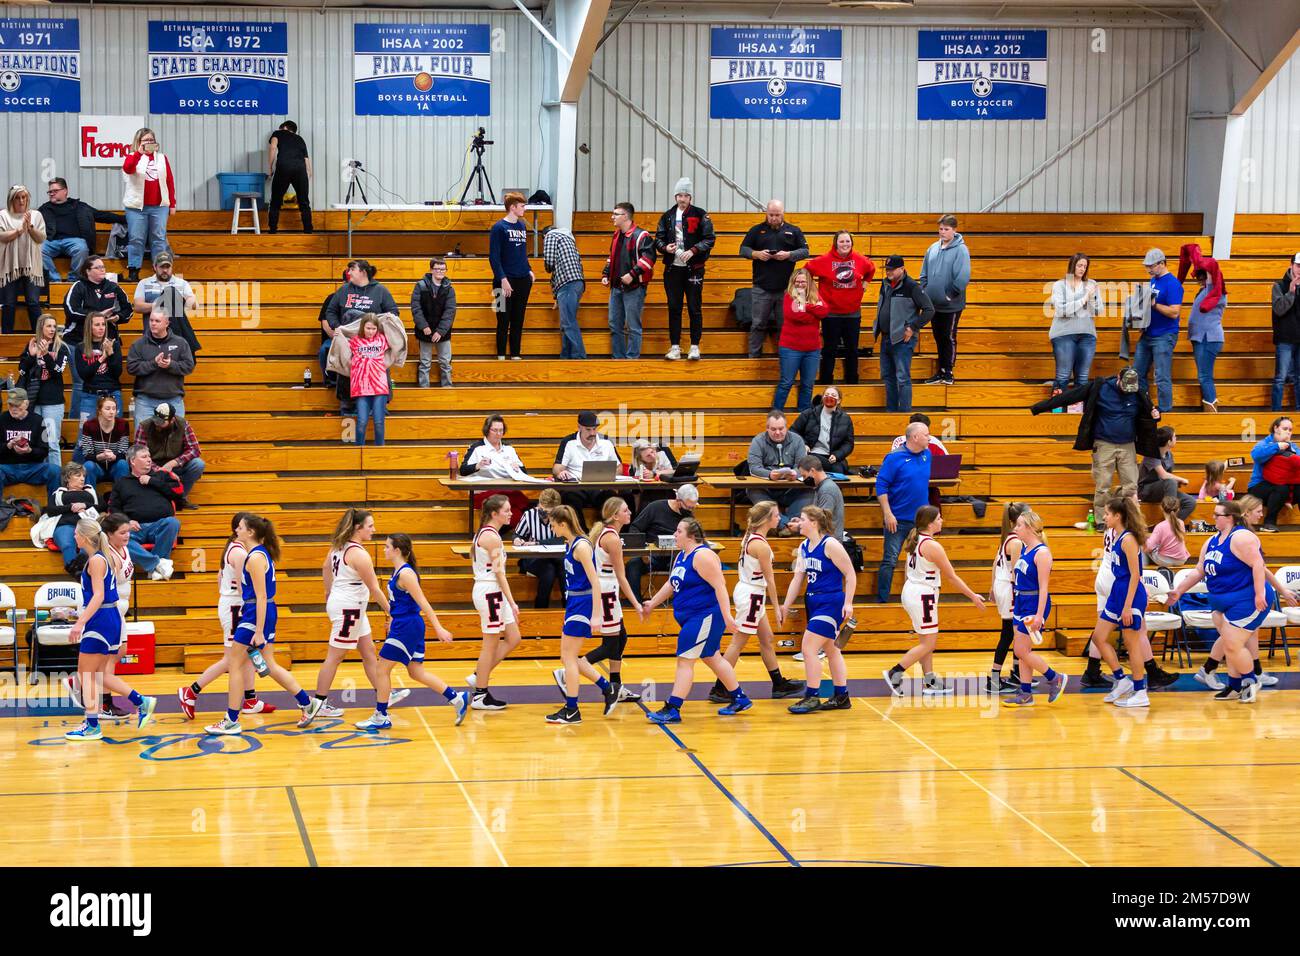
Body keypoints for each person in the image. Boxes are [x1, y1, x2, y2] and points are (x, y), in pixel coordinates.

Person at [204, 514, 322, 735]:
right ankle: (308, 703)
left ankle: (230, 719)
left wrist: (258, 630)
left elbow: (260, 595)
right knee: (269, 664)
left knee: (236, 664)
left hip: (255, 613)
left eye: (239, 528)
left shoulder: (256, 557)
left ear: (250, 532)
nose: (235, 531)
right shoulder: (257, 554)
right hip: (262, 612)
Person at [642, 517, 750, 723]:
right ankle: (740, 698)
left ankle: (673, 708)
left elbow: (720, 587)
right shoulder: (682, 555)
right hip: (691, 616)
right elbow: (672, 583)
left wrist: (728, 616)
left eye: (678, 531)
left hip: (705, 616)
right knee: (712, 657)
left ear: (691, 536)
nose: (674, 535)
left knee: (684, 661)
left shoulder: (703, 556)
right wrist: (652, 603)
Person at [357, 534, 470, 730]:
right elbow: (401, 603)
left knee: (381, 669)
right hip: (406, 624)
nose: (383, 550)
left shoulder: (406, 574)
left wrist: (439, 627)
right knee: (416, 672)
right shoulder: (398, 571)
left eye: (386, 547)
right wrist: (392, 619)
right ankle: (456, 697)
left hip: (407, 627)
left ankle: (380, 715)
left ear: (397, 550)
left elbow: (423, 602)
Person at [300, 509, 400, 727]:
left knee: (368, 652)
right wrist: (393, 613)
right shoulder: (359, 554)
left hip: (348, 605)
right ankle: (317, 703)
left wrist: (328, 593)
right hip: (349, 609)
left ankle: (384, 693)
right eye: (370, 526)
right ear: (358, 527)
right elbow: (375, 589)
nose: (374, 530)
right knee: (335, 656)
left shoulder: (338, 545)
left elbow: (326, 567)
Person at [1168, 500, 1273, 703]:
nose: (1213, 518)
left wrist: (1260, 594)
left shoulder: (1242, 537)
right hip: (1221, 602)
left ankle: (1250, 681)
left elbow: (1259, 565)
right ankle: (1234, 686)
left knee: (1233, 644)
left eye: (1218, 515)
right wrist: (1179, 590)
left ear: (1230, 518)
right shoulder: (1212, 541)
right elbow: (1199, 570)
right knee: (1229, 644)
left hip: (1246, 599)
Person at [61, 517, 157, 740]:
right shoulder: (102, 557)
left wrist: (80, 622)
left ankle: (92, 725)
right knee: (97, 674)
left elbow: (99, 596)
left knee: (86, 673)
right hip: (110, 616)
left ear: (85, 537)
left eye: (76, 532)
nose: (74, 536)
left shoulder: (96, 560)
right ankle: (141, 701)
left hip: (101, 618)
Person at [1030, 367, 1161, 525]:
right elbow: (1069, 397)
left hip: (1128, 445)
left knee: (1131, 486)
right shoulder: (1100, 387)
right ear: (1118, 378)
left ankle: (1127, 520)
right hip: (1104, 444)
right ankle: (1102, 520)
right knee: (1103, 485)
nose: (1127, 392)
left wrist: (1156, 416)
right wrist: (1039, 407)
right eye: (1124, 388)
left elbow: (1150, 413)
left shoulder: (1137, 392)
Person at [178, 512, 276, 721]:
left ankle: (250, 700)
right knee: (232, 659)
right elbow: (244, 586)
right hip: (236, 606)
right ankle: (192, 690)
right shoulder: (241, 552)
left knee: (246, 657)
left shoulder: (235, 549)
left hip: (232, 604)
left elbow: (219, 577)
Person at [1191, 494, 1294, 691]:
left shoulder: (1239, 534)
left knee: (1240, 637)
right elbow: (1261, 568)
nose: (1261, 515)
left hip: (1233, 596)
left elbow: (1259, 568)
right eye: (1257, 511)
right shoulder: (1241, 536)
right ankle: (1246, 674)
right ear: (1245, 513)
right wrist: (1279, 590)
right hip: (1233, 596)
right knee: (1235, 638)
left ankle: (1232, 674)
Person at [883, 505, 987, 697]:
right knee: (928, 643)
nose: (942, 521)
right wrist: (973, 596)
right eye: (939, 518)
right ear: (930, 524)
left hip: (912, 590)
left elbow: (907, 571)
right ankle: (895, 672)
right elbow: (952, 577)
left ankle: (930, 680)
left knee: (926, 639)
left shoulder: (915, 539)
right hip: (922, 594)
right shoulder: (932, 545)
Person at [709, 502, 806, 701]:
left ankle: (778, 684)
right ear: (766, 519)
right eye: (776, 515)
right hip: (752, 595)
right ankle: (720, 687)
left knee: (767, 639)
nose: (779, 518)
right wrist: (777, 607)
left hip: (752, 592)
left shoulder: (751, 537)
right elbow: (770, 579)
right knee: (738, 643)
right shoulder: (760, 545)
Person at [560, 497, 644, 705]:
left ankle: (616, 686)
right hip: (606, 590)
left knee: (621, 638)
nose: (630, 513)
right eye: (626, 510)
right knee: (611, 644)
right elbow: (622, 576)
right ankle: (573, 668)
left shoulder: (606, 532)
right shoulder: (612, 539)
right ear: (615, 515)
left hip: (607, 587)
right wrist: (636, 603)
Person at [545, 505, 618, 724]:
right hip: (575, 601)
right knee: (568, 657)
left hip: (583, 603)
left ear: (563, 524)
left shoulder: (582, 546)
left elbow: (596, 582)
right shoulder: (570, 544)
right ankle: (608, 688)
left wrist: (596, 616)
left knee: (568, 658)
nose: (551, 528)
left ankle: (572, 709)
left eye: (553, 524)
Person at [782, 506, 856, 714]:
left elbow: (850, 574)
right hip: (813, 602)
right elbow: (798, 578)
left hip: (831, 602)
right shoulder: (804, 545)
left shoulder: (830, 544)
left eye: (802, 519)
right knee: (833, 650)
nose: (799, 522)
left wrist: (848, 602)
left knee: (808, 648)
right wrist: (785, 605)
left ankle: (812, 696)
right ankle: (842, 696)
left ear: (814, 523)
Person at [1087, 498, 1153, 708]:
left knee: (1131, 643)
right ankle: (1121, 678)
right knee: (1099, 638)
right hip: (1118, 591)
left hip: (1129, 595)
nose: (1104, 517)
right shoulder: (1117, 536)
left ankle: (1140, 691)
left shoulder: (1128, 540)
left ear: (1118, 516)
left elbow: (1136, 575)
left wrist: (1128, 606)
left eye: (1107, 513)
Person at [1001, 510, 1068, 707]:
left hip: (1034, 603)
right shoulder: (1024, 549)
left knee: (1021, 650)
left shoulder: (1042, 553)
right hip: (1021, 602)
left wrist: (1039, 615)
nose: (1015, 529)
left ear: (1029, 528)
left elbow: (1044, 588)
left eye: (1019, 525)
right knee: (1023, 650)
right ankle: (1026, 693)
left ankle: (1054, 677)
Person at [467, 495, 523, 711]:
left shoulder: (488, 534)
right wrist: (512, 601)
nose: (510, 513)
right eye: (506, 510)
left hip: (492, 590)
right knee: (489, 644)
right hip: (490, 591)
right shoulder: (492, 538)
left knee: (514, 637)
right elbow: (499, 573)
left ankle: (478, 675)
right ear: (494, 514)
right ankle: (480, 694)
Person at [740, 199, 809, 357]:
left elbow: (805, 251)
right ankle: (753, 357)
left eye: (777, 215)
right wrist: (756, 254)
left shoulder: (794, 231)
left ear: (783, 213)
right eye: (771, 215)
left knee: (785, 325)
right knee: (757, 324)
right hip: (761, 287)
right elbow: (743, 249)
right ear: (766, 213)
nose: (774, 218)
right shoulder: (756, 230)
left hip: (786, 288)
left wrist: (789, 255)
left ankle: (784, 357)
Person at [806, 231, 875, 385]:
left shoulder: (860, 260)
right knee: (829, 350)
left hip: (852, 314)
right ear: (835, 243)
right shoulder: (824, 260)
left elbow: (871, 269)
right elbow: (806, 270)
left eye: (848, 241)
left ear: (852, 243)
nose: (845, 244)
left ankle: (852, 381)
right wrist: (811, 291)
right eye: (842, 241)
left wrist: (866, 282)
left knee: (852, 350)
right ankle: (825, 381)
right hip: (831, 314)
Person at [656, 179, 714, 360]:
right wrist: (666, 248)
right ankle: (675, 347)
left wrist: (693, 251)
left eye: (686, 195)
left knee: (694, 308)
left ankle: (694, 346)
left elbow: (709, 239)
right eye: (680, 195)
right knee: (674, 307)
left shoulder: (701, 214)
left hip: (694, 269)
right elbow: (658, 239)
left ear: (690, 197)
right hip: (673, 269)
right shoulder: (667, 216)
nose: (682, 199)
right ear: (675, 196)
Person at [321, 259, 399, 394]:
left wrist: (375, 328)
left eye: (352, 269)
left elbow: (393, 313)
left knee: (376, 374)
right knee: (347, 374)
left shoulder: (380, 290)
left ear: (362, 272)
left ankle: (379, 406)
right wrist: (338, 327)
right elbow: (330, 312)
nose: (348, 272)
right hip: (349, 340)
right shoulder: (344, 289)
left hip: (372, 342)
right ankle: (347, 408)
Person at [875, 421, 932, 604]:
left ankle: (916, 599)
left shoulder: (927, 455)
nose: (929, 438)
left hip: (920, 521)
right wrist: (887, 513)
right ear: (915, 437)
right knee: (890, 560)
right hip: (897, 519)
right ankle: (882, 601)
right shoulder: (894, 458)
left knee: (920, 562)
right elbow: (881, 485)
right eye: (926, 434)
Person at [107, 444, 182, 581]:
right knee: (117, 539)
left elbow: (178, 495)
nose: (149, 460)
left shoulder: (160, 476)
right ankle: (157, 565)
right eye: (144, 457)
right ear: (133, 461)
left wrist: (153, 481)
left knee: (173, 523)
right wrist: (126, 522)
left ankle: (155, 568)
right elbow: (113, 508)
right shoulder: (122, 482)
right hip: (134, 529)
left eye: (149, 457)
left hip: (159, 526)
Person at [874, 255, 934, 413]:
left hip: (903, 340)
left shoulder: (912, 286)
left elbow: (929, 310)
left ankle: (904, 413)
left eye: (892, 269)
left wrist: (913, 327)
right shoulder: (885, 283)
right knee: (888, 377)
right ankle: (891, 411)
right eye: (887, 269)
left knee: (902, 378)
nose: (888, 272)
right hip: (886, 337)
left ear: (901, 268)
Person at [37, 177, 125, 282]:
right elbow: (32, 221)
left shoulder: (79, 206)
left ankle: (73, 279)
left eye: (55, 191)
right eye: (50, 191)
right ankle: (54, 280)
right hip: (52, 241)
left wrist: (124, 218)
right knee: (38, 249)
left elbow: (101, 215)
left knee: (82, 248)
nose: (51, 193)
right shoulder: (44, 208)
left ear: (65, 191)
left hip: (74, 241)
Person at [919, 215, 971, 386]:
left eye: (946, 229)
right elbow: (924, 272)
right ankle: (940, 371)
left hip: (951, 304)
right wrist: (925, 290)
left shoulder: (961, 250)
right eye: (940, 229)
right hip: (933, 304)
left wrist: (950, 295)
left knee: (948, 337)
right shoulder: (933, 248)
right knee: (938, 336)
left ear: (954, 230)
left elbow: (962, 276)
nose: (942, 232)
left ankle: (948, 372)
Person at [1132, 248, 1184, 414]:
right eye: (1146, 266)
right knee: (1137, 373)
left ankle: (1166, 410)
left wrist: (1154, 304)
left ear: (1162, 264)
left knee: (1161, 376)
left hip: (1164, 334)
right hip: (1148, 333)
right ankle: (1144, 406)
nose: (1148, 270)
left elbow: (1175, 312)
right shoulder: (1153, 281)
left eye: (1151, 266)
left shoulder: (1173, 284)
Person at [17, 313, 72, 469]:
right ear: (41, 327)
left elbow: (58, 372)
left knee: (52, 443)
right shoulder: (31, 344)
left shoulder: (61, 347)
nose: (52, 329)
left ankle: (56, 479)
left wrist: (46, 355)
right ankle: (36, 476)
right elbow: (21, 370)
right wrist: (32, 356)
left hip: (52, 402)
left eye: (54, 326)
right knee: (34, 442)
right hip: (33, 401)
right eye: (49, 326)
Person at [602, 202, 656, 360]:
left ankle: (632, 360)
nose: (612, 217)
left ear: (625, 216)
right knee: (614, 325)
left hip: (634, 288)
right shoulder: (616, 235)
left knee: (633, 326)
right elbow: (611, 258)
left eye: (616, 214)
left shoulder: (641, 235)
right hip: (616, 287)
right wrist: (606, 274)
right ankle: (618, 359)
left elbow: (649, 259)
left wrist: (632, 274)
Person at [625, 483, 699, 598]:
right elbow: (635, 529)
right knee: (633, 565)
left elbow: (695, 537)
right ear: (678, 500)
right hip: (651, 557)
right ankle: (636, 604)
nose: (690, 510)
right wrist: (643, 552)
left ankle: (681, 601)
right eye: (688, 507)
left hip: (675, 557)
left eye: (693, 507)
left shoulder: (688, 516)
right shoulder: (655, 507)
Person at [121, 127, 175, 282]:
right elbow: (128, 169)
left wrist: (172, 203)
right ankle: (133, 271)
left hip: (159, 206)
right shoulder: (132, 157)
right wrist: (139, 153)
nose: (149, 143)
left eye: (152, 140)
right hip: (136, 207)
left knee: (159, 238)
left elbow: (169, 181)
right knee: (136, 239)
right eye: (146, 140)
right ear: (138, 142)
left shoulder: (162, 158)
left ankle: (160, 271)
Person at [126, 308, 195, 429]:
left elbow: (189, 366)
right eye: (151, 320)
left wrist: (171, 365)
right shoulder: (139, 344)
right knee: (142, 442)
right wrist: (153, 364)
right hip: (145, 401)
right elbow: (131, 368)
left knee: (175, 441)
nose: (153, 323)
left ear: (167, 323)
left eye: (157, 321)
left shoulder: (181, 343)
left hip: (173, 400)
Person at [1179, 244, 1226, 412]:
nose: (1201, 281)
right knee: (1203, 375)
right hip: (1201, 338)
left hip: (1209, 338)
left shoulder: (1216, 291)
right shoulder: (1203, 291)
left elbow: (1212, 270)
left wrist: (1197, 257)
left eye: (1203, 277)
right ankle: (1209, 405)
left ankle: (1211, 409)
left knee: (1204, 375)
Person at [987, 501, 1028, 693]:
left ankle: (1017, 672)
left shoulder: (1007, 537)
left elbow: (995, 563)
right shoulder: (1017, 541)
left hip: (1002, 585)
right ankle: (994, 678)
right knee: (1009, 633)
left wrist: (992, 588)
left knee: (1015, 631)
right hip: (1009, 587)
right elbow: (1015, 573)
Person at [772, 267, 827, 412]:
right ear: (793, 282)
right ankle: (776, 413)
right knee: (786, 382)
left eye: (803, 281)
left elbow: (824, 311)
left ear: (808, 282)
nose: (800, 284)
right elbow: (796, 316)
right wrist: (813, 309)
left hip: (812, 349)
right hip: (791, 348)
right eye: (798, 281)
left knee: (808, 384)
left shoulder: (815, 294)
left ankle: (804, 413)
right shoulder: (789, 296)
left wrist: (806, 307)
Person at [553, 409, 623, 519]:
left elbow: (619, 467)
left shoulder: (606, 442)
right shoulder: (568, 442)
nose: (592, 433)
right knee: (570, 498)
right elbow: (557, 468)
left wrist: (610, 474)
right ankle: (580, 533)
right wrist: (561, 473)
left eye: (594, 429)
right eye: (588, 429)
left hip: (601, 487)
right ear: (579, 427)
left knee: (612, 499)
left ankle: (603, 532)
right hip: (577, 488)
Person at [489, 192, 534, 360]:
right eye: (522, 206)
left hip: (522, 280)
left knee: (518, 319)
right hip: (501, 282)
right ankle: (501, 355)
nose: (524, 209)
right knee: (502, 318)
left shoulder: (521, 226)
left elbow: (522, 253)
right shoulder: (498, 228)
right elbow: (494, 257)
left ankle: (515, 354)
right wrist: (503, 279)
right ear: (512, 207)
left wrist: (529, 269)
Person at [745, 411, 810, 528]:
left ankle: (791, 524)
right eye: (773, 429)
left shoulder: (797, 440)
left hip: (792, 488)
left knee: (811, 490)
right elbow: (754, 468)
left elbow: (803, 466)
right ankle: (786, 525)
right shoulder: (758, 441)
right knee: (752, 490)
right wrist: (770, 475)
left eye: (781, 428)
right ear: (767, 428)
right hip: (767, 489)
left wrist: (795, 473)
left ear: (786, 427)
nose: (778, 432)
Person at [1049, 253, 1102, 393]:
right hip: (1064, 335)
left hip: (1087, 335)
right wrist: (1084, 298)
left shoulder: (1092, 284)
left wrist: (1091, 299)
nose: (1082, 269)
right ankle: (1058, 411)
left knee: (1083, 379)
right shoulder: (1060, 285)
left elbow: (1098, 310)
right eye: (1079, 265)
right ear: (1072, 265)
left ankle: (1079, 413)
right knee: (1063, 377)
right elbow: (1061, 310)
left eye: (1085, 266)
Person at [460, 413, 529, 519]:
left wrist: (517, 469)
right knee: (513, 506)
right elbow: (463, 470)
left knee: (519, 504)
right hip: (484, 493)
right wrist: (478, 465)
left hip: (507, 491)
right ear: (487, 430)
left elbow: (524, 473)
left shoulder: (509, 449)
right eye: (495, 430)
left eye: (501, 430)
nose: (498, 434)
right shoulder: (477, 448)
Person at [131, 252, 200, 356]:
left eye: (168, 267)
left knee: (171, 292)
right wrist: (160, 304)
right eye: (161, 267)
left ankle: (180, 342)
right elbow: (137, 306)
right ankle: (190, 345)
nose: (165, 270)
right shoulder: (144, 283)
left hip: (175, 334)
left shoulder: (182, 283)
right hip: (152, 335)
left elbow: (194, 305)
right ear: (154, 267)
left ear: (172, 267)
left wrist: (182, 300)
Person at [135, 402, 203, 506]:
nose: (157, 423)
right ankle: (158, 499)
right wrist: (162, 471)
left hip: (176, 465)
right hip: (152, 467)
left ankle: (180, 498)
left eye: (161, 422)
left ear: (172, 420)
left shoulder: (183, 424)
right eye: (156, 420)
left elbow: (195, 449)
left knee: (198, 464)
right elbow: (139, 454)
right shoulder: (144, 426)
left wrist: (173, 463)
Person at [0, 184, 46, 334]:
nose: (21, 201)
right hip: (9, 267)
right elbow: (2, 236)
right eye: (17, 198)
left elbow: (41, 238)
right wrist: (20, 230)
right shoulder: (3, 215)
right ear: (11, 200)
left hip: (31, 267)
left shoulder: (36, 215)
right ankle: (7, 342)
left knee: (33, 302)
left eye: (24, 197)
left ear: (28, 199)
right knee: (8, 304)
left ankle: (40, 340)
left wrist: (30, 227)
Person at [0, 387, 59, 496]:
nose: (13, 409)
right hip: (8, 467)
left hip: (32, 467)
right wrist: (8, 445)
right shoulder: (2, 419)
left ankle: (54, 508)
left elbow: (44, 451)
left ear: (26, 404)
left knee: (55, 471)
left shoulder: (38, 420)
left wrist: (29, 450)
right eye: (10, 405)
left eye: (17, 405)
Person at [1246, 415, 1300, 532]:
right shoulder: (1265, 443)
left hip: (1283, 486)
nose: (1288, 432)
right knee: (1281, 489)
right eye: (1285, 429)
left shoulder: (1293, 446)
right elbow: (1256, 455)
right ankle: (1269, 523)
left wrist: (1291, 450)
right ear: (1276, 428)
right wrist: (1277, 447)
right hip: (1259, 486)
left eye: (1290, 430)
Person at [410, 256, 456, 388]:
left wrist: (440, 331)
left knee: (445, 362)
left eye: (443, 269)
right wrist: (424, 326)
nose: (440, 272)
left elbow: (450, 312)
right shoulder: (420, 286)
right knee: (425, 361)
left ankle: (447, 386)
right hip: (425, 329)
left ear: (446, 270)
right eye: (437, 269)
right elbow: (416, 308)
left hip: (443, 331)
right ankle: (424, 387)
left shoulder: (449, 289)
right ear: (431, 270)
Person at [514, 488, 564, 609]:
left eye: (549, 512)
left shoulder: (561, 516)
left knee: (565, 571)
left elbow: (561, 539)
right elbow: (518, 534)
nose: (545, 514)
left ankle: (568, 609)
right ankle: (541, 610)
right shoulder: (529, 515)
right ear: (538, 504)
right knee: (548, 572)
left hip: (556, 557)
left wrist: (537, 543)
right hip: (535, 558)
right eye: (542, 510)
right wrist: (517, 539)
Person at [542, 226, 586, 360]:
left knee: (568, 322)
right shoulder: (569, 240)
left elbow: (549, 262)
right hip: (577, 283)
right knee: (566, 322)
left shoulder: (551, 236)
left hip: (566, 283)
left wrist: (548, 268)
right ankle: (566, 356)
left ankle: (579, 356)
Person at [348, 315, 392, 447]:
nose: (371, 331)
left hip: (379, 385)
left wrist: (390, 319)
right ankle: (358, 453)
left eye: (374, 328)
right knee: (361, 422)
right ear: (363, 327)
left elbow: (397, 336)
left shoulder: (382, 339)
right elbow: (341, 346)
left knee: (379, 423)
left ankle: (379, 453)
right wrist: (339, 333)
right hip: (361, 387)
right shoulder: (355, 341)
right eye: (368, 328)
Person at [72, 312, 123, 424]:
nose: (101, 328)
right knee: (85, 436)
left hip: (112, 394)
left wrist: (111, 354)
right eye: (97, 325)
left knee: (114, 434)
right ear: (89, 327)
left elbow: (117, 373)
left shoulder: (113, 344)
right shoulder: (81, 347)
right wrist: (102, 357)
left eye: (103, 324)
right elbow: (85, 375)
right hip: (90, 395)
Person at [47, 462, 98, 575]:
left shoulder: (90, 491)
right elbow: (50, 511)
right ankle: (75, 575)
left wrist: (85, 505)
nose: (82, 479)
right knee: (67, 544)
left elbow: (103, 507)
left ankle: (86, 575)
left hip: (87, 525)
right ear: (68, 477)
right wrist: (70, 507)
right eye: (78, 475)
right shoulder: (59, 493)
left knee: (87, 547)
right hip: (65, 524)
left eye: (83, 476)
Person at [1137, 426, 1195, 521]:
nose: (1176, 439)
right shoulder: (1151, 455)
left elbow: (1169, 476)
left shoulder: (1169, 455)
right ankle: (1169, 519)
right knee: (1171, 482)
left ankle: (1170, 525)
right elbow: (1163, 475)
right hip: (1145, 491)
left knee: (1190, 502)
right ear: (1169, 442)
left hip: (1163, 488)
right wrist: (1180, 479)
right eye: (1174, 436)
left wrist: (1177, 483)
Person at [791, 388, 854, 475]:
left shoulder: (845, 419)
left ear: (839, 400)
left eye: (833, 395)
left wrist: (837, 455)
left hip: (831, 457)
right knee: (819, 464)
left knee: (838, 470)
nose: (829, 397)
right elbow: (793, 431)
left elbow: (848, 443)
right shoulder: (809, 413)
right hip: (812, 453)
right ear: (822, 398)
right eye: (827, 394)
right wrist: (804, 444)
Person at [267, 119, 313, 234]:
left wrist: (270, 167)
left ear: (285, 127)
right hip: (300, 169)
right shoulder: (300, 139)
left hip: (284, 167)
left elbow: (273, 147)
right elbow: (306, 158)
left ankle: (273, 229)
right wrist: (309, 171)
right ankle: (308, 230)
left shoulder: (277, 133)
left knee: (276, 200)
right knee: (304, 202)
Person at [74, 395, 130, 489]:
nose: (111, 412)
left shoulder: (123, 424)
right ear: (99, 410)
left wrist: (114, 457)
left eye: (114, 408)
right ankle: (90, 498)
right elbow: (87, 454)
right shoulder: (89, 425)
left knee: (122, 464)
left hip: (115, 467)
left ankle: (123, 499)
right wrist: (100, 457)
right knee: (88, 465)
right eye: (107, 409)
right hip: (97, 467)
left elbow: (124, 452)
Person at [1272, 252, 1300, 411]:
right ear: (1291, 266)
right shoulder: (1279, 286)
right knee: (1280, 378)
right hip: (1285, 339)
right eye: (1298, 266)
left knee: (1299, 378)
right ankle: (1275, 412)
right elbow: (1279, 309)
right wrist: (1290, 293)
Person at [796, 455, 845, 539]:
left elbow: (822, 521)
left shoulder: (827, 490)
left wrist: (799, 525)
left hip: (828, 544)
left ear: (812, 471)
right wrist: (801, 521)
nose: (804, 480)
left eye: (804, 476)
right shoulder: (821, 487)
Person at [1145, 495, 1190, 570]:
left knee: (1142, 546)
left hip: (1165, 560)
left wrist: (1145, 540)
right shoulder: (1181, 523)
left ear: (1161, 508)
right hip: (1181, 560)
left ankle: (1144, 570)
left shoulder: (1160, 526)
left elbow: (1149, 547)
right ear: (1178, 509)